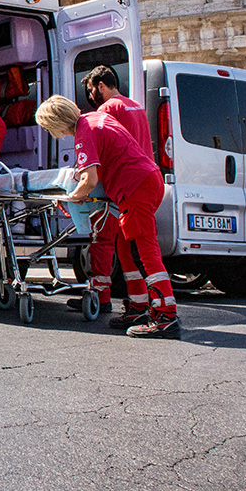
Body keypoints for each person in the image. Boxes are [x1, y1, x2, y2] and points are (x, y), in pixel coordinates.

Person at [36, 95, 180, 339]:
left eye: (51, 129)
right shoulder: (97, 118)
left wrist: (70, 198)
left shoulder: (84, 134)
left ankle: (166, 314)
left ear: (57, 123)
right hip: (145, 181)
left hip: (135, 188)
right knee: (126, 249)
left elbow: (89, 180)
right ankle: (139, 306)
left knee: (145, 253)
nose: (54, 135)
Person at [74, 66, 154, 315]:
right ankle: (139, 302)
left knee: (102, 240)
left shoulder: (106, 110)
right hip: (142, 179)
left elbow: (102, 145)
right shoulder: (136, 106)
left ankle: (101, 297)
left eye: (91, 90)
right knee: (131, 250)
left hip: (120, 185)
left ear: (100, 86)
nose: (90, 97)